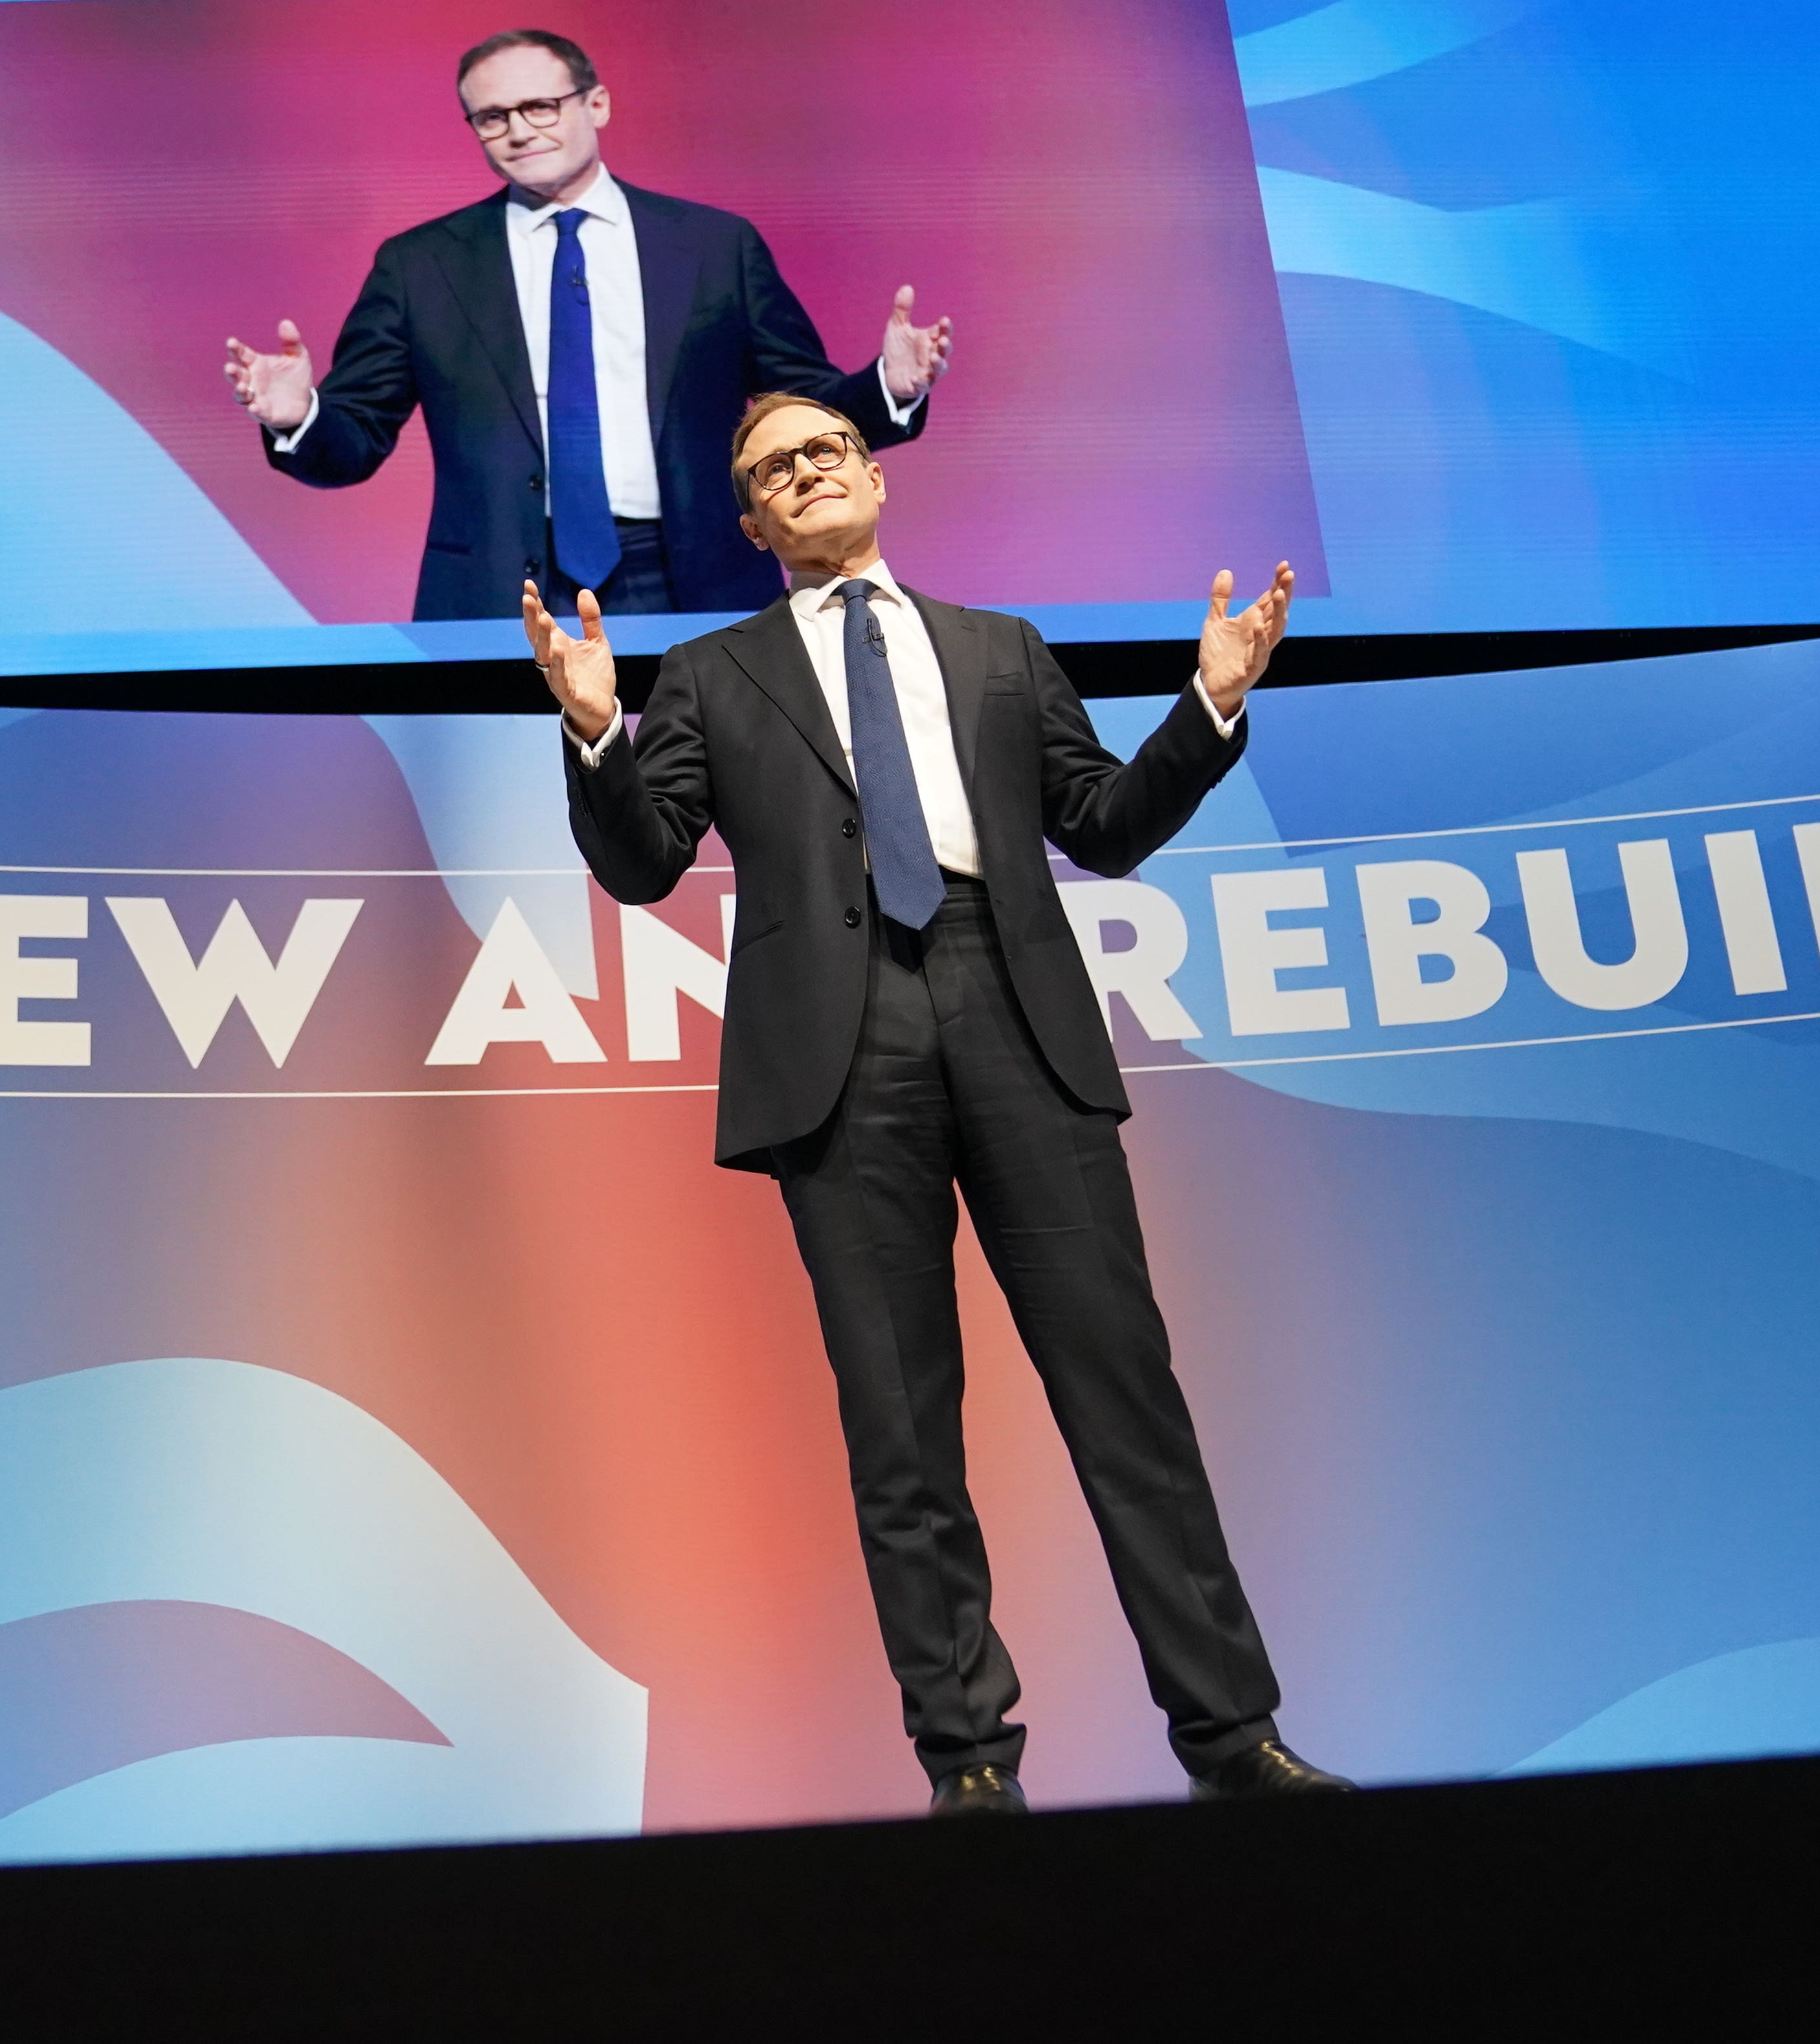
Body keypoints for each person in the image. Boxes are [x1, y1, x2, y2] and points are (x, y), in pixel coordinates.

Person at [521, 392, 1351, 1814]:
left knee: (1125, 1398)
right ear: (750, 522)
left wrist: (1208, 706)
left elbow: (1101, 825)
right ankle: (968, 1761)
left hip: (1011, 1009)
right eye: (773, 470)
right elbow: (646, 866)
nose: (806, 473)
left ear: (869, 474)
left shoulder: (999, 648)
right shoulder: (711, 673)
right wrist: (598, 735)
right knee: (901, 1429)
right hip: (839, 1052)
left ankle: (1233, 1741)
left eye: (826, 450)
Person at [225, 28, 952, 621]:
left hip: (687, 572)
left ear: (595, 104)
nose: (518, 131)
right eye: (492, 116)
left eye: (540, 106)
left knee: (704, 791)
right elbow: (353, 440)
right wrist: (300, 416)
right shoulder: (419, 265)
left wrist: (889, 386)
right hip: (497, 588)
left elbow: (805, 413)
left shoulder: (710, 246)